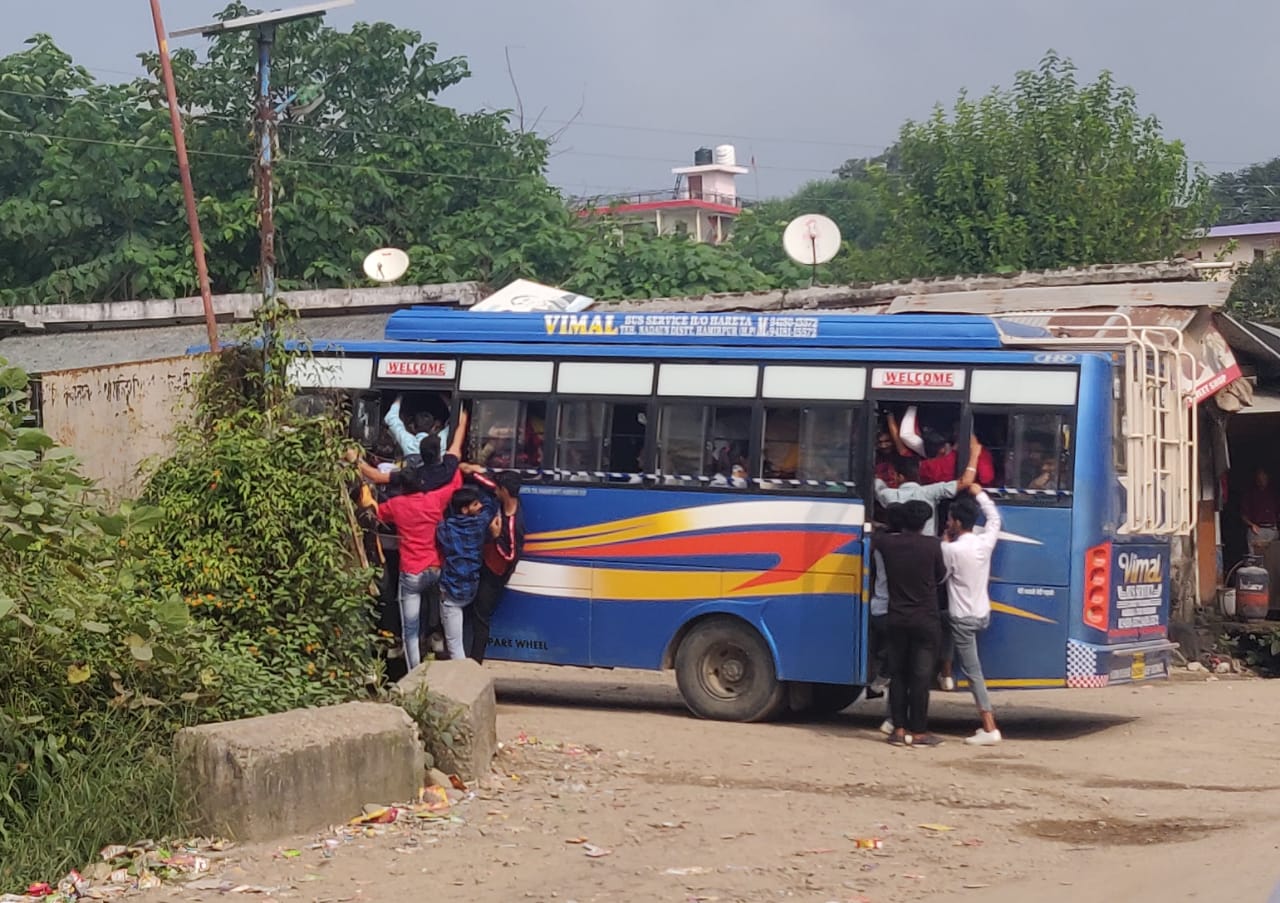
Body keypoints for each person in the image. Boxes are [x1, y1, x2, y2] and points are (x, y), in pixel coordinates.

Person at [374, 409, 469, 671]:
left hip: (411, 573)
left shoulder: (397, 505)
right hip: (435, 568)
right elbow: (455, 477)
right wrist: (462, 420)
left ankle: (415, 673)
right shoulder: (435, 499)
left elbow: (375, 510)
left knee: (410, 629)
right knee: (438, 602)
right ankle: (437, 635)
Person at [871, 499, 948, 748]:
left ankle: (898, 729)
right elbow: (940, 576)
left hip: (896, 618)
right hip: (925, 619)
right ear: (925, 522)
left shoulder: (887, 544)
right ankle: (919, 733)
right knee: (920, 677)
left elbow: (876, 532)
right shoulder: (933, 546)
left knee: (898, 675)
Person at [942, 483, 1003, 746]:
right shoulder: (984, 543)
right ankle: (945, 672)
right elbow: (995, 518)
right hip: (982, 614)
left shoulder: (951, 550)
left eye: (949, 519)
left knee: (973, 671)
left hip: (963, 620)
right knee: (943, 622)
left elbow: (942, 576)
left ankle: (989, 727)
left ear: (955, 522)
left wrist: (944, 542)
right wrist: (979, 492)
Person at [464, 470, 526, 663]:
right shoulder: (504, 502)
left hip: (495, 574)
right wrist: (472, 472)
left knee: (481, 617)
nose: (495, 491)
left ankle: (475, 661)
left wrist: (495, 535)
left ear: (505, 491)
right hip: (485, 564)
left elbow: (511, 555)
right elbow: (490, 485)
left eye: (499, 488)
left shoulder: (513, 524)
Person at [435, 486, 492, 660]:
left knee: (455, 645)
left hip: (452, 592)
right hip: (471, 589)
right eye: (475, 504)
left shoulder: (445, 528)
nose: (480, 506)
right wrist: (476, 477)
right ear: (465, 509)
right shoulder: (481, 523)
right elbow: (490, 504)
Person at [870, 504, 906, 733]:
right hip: (894, 612)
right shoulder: (906, 547)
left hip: (878, 609)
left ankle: (880, 678)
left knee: (891, 656)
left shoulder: (879, 545)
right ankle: (892, 718)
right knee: (899, 666)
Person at [875, 456, 965, 536]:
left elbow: (877, 485)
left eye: (894, 474)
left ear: (900, 477)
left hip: (899, 547)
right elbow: (964, 483)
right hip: (929, 547)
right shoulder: (930, 491)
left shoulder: (888, 495)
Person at [385, 394, 449, 462]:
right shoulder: (439, 442)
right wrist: (443, 395)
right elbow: (457, 420)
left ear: (412, 427)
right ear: (434, 427)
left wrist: (400, 395)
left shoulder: (408, 442)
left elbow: (390, 418)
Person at [1241, 467, 1279, 553]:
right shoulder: (1250, 494)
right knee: (1256, 558)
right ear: (1256, 479)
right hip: (1257, 531)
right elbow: (1243, 515)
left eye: (1264, 478)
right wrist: (1252, 525)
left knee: (1272, 557)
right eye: (1260, 478)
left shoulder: (1273, 493)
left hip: (1272, 530)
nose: (1262, 480)